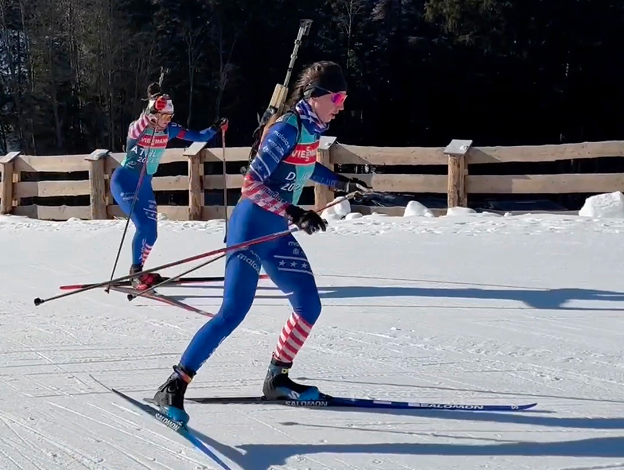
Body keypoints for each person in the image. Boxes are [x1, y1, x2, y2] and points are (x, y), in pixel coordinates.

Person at [151, 61, 370, 424]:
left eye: (344, 97)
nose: (342, 104)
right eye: (338, 97)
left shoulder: (311, 129)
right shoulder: (287, 128)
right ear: (315, 97)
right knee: (232, 313)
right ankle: (174, 384)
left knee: (308, 306)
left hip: (277, 234)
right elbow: (252, 184)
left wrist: (341, 182)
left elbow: (303, 167)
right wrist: (294, 211)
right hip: (251, 230)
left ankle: (277, 378)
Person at [110, 83, 229, 291]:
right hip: (125, 181)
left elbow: (198, 137)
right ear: (154, 114)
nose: (168, 120)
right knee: (143, 226)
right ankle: (135, 273)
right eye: (164, 115)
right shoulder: (138, 128)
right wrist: (150, 109)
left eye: (170, 116)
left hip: (144, 183)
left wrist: (215, 128)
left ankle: (140, 272)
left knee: (152, 233)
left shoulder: (170, 130)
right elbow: (137, 127)